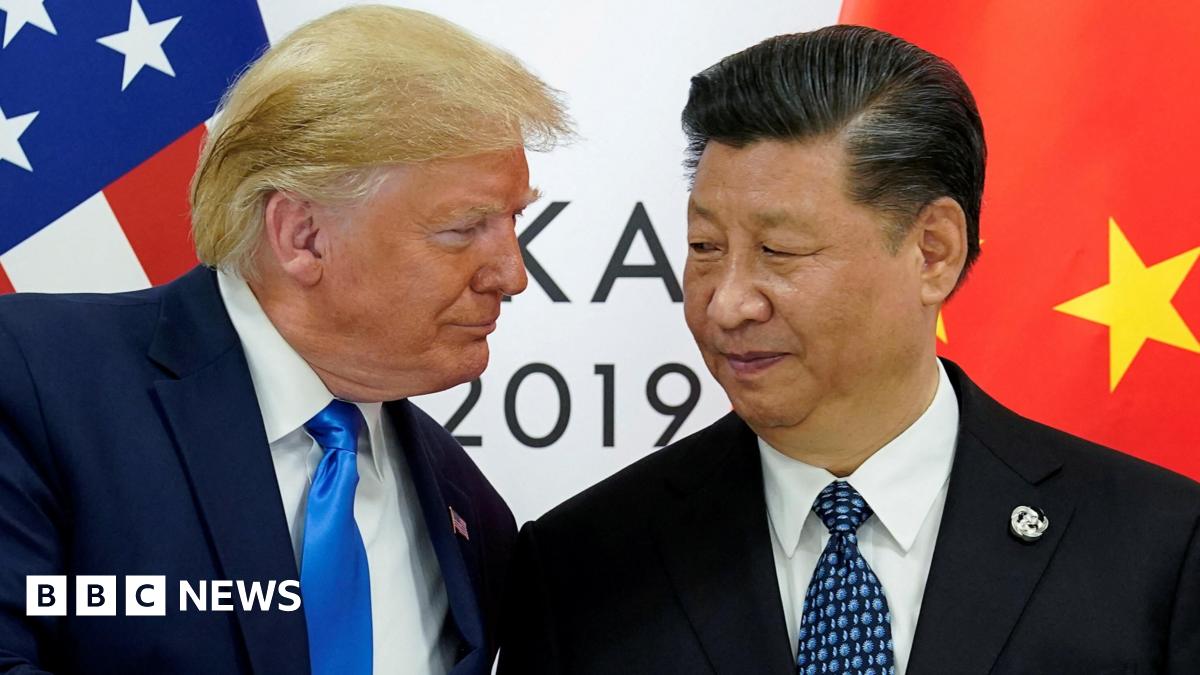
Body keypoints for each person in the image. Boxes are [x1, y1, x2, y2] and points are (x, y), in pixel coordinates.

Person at [498, 25, 1200, 675]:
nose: (727, 302)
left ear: (934, 252)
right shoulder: (582, 565)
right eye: (706, 248)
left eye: (780, 250)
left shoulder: (1160, 549)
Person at [0, 6, 569, 674]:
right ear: (301, 235)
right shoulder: (35, 383)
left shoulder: (472, 510)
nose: (514, 274)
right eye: (464, 228)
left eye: (513, 220)